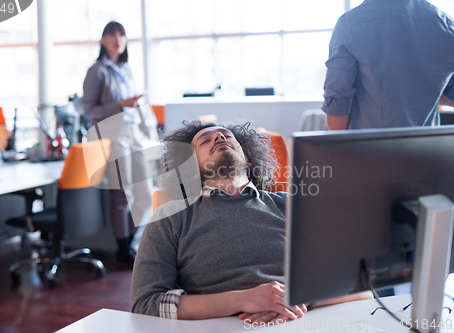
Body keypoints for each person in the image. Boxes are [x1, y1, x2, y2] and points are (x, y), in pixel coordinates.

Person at [131, 121, 372, 324]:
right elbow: (144, 304)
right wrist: (242, 299)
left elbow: (363, 287)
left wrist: (301, 297)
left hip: (302, 322)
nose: (218, 136)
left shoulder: (292, 205)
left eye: (227, 136)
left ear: (247, 160)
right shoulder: (171, 217)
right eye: (205, 141)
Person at [322, 0, 454, 130]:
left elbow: (337, 110)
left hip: (369, 148)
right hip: (427, 147)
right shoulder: (446, 24)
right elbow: (450, 96)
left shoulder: (349, 23)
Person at [82, 21, 153, 267]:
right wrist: (120, 104)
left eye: (121, 34)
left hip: (133, 132)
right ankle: (123, 250)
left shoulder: (126, 69)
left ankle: (134, 243)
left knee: (145, 192)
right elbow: (88, 109)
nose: (117, 38)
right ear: (103, 40)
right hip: (112, 134)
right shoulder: (97, 71)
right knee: (123, 195)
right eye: (112, 34)